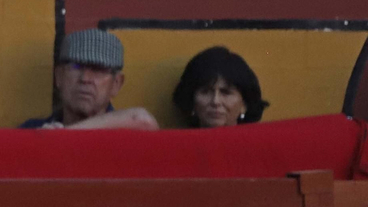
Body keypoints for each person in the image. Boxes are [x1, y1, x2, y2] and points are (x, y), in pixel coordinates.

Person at [19, 29, 157, 130]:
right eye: (76, 66)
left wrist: (63, 136)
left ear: (116, 84)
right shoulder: (32, 131)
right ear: (59, 76)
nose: (85, 78)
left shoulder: (128, 131)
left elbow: (142, 120)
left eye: (98, 69)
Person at [173, 46, 268, 128]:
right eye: (206, 92)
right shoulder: (177, 146)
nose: (215, 102)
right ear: (191, 101)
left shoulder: (261, 146)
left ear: (244, 103)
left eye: (226, 92)